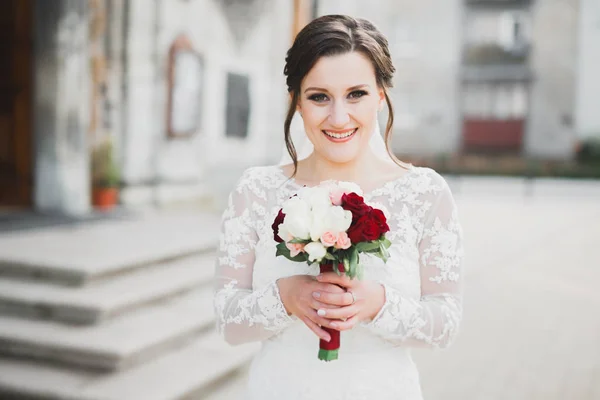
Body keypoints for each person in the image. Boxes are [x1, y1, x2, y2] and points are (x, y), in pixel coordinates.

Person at [213, 14, 464, 400]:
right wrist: (285, 297)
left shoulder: (425, 194)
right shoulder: (255, 191)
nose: (339, 117)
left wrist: (378, 304)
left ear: (380, 95)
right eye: (319, 97)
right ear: (297, 101)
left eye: (356, 94)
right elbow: (229, 323)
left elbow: (444, 325)